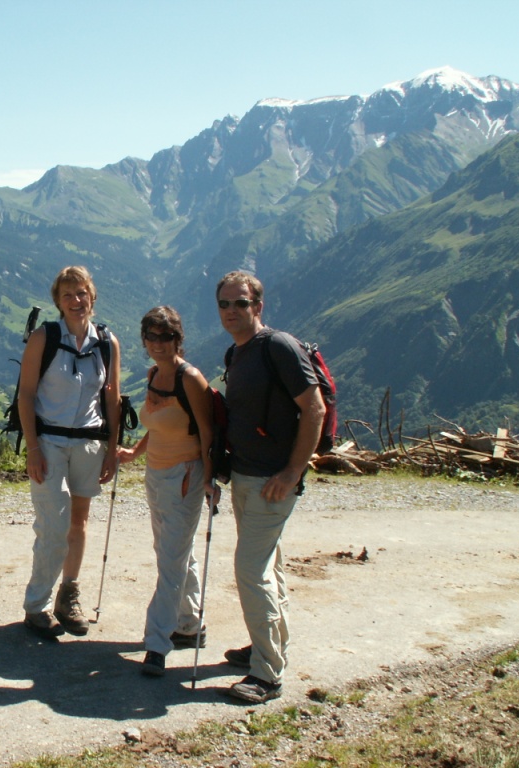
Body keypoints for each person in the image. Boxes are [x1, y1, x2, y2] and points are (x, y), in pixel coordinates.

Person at [216, 271, 326, 703]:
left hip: (271, 482)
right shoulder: (237, 353)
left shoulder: (278, 347)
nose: (231, 311)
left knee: (250, 569)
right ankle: (267, 647)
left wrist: (292, 472)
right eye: (224, 304)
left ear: (258, 307)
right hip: (245, 474)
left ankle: (266, 674)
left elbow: (313, 409)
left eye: (240, 303)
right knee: (268, 567)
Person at [18, 265, 122, 640]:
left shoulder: (107, 343)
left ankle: (68, 595)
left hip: (89, 443)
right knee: (54, 524)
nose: (76, 300)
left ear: (92, 297)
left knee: (78, 524)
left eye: (81, 293)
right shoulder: (44, 338)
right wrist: (32, 447)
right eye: (68, 295)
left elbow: (112, 398)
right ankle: (37, 605)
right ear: (58, 302)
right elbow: (25, 395)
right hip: (48, 442)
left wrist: (112, 449)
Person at [117, 306, 216, 677]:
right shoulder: (154, 375)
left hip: (185, 476)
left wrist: (210, 476)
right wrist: (134, 452)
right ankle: (190, 625)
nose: (158, 344)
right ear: (144, 339)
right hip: (156, 473)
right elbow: (158, 426)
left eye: (166, 336)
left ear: (178, 339)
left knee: (170, 561)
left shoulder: (190, 379)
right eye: (152, 336)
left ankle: (157, 643)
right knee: (172, 551)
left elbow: (207, 430)